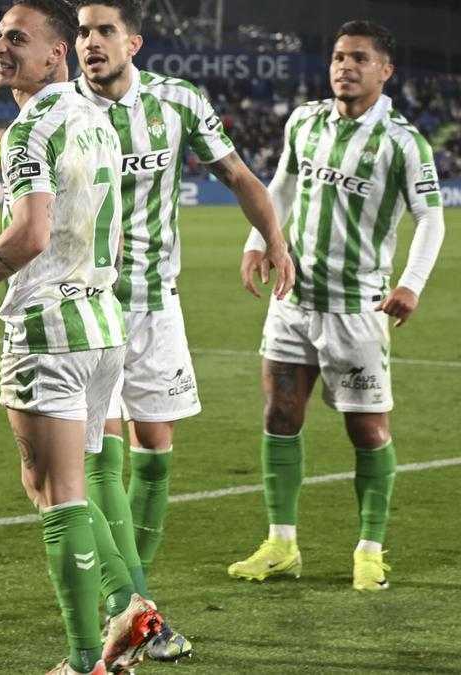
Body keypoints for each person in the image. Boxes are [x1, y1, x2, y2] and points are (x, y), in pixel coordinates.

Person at [0, 2, 179, 673]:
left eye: (18, 39)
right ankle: (130, 606)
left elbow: (30, 234)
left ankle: (85, 654)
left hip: (48, 329)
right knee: (70, 483)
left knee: (52, 492)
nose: (1, 47)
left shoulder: (31, 129)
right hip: (101, 325)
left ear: (54, 54)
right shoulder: (96, 119)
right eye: (0, 36)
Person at [71, 0, 294, 592]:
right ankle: (129, 601)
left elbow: (242, 178)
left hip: (157, 300)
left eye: (104, 31)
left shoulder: (178, 101)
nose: (91, 42)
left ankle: (134, 592)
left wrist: (274, 240)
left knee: (157, 443)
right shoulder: (60, 108)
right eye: (83, 32)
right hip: (88, 303)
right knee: (102, 448)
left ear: (133, 42)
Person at [229, 20, 445, 592]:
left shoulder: (403, 142)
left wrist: (412, 283)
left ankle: (369, 550)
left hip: (357, 308)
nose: (344, 67)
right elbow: (280, 184)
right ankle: (281, 544)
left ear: (385, 70)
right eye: (338, 57)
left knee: (367, 430)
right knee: (279, 416)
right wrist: (258, 242)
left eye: (359, 58)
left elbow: (430, 217)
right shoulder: (305, 120)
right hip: (293, 297)